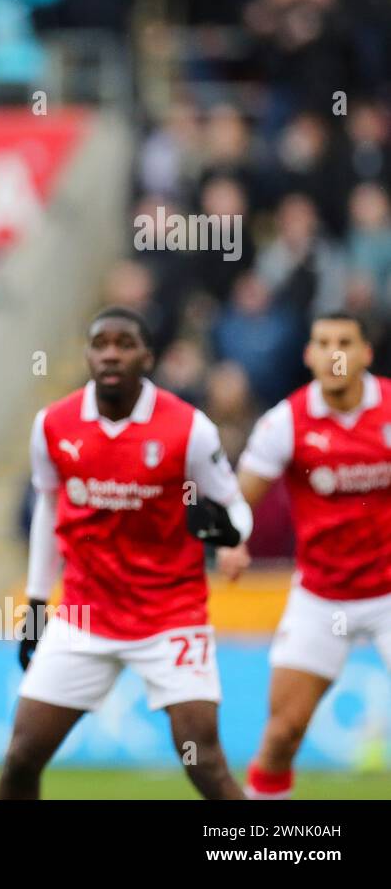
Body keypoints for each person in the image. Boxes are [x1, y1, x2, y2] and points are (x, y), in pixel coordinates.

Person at [0, 307, 252, 800]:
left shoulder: (188, 428)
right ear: (88, 354)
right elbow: (50, 507)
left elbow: (235, 506)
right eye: (100, 343)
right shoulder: (54, 424)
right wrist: (34, 601)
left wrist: (227, 532)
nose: (111, 353)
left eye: (125, 343)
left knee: (205, 761)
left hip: (170, 615)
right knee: (21, 757)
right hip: (85, 615)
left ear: (148, 356)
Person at [228, 312, 391, 799]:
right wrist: (232, 540)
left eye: (345, 341)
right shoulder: (285, 421)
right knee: (282, 733)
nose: (334, 352)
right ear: (309, 356)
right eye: (323, 342)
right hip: (322, 597)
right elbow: (240, 500)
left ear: (366, 353)